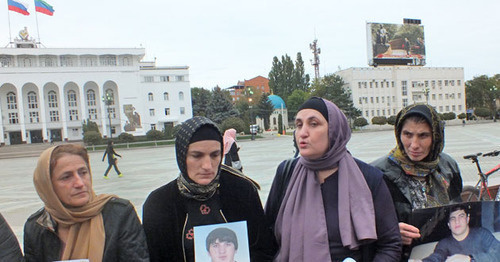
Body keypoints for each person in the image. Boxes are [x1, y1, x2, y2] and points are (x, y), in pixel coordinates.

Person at [265, 97, 402, 261]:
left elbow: (390, 244)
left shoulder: (369, 177)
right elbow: (267, 239)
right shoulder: (286, 173)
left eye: (313, 124)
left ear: (335, 129)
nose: (302, 133)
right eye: (299, 125)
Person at [143, 116, 275, 262]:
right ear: (182, 156)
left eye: (215, 155)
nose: (207, 165)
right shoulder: (159, 204)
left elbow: (264, 249)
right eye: (197, 155)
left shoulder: (242, 192)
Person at [23, 144, 149, 261]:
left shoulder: (119, 214)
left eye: (83, 173)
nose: (80, 183)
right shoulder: (37, 226)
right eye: (66, 177)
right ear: (48, 185)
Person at [371, 104, 463, 258]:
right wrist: (389, 232)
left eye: (423, 136)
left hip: (444, 253)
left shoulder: (448, 166)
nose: (414, 145)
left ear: (436, 136)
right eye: (407, 134)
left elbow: (458, 207)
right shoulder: (378, 173)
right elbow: (360, 223)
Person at [419, 205, 500, 262]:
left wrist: (470, 259)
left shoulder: (482, 234)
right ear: (449, 225)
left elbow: (498, 254)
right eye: (453, 218)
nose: (457, 221)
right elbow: (437, 257)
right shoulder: (444, 243)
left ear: (467, 219)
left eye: (461, 216)